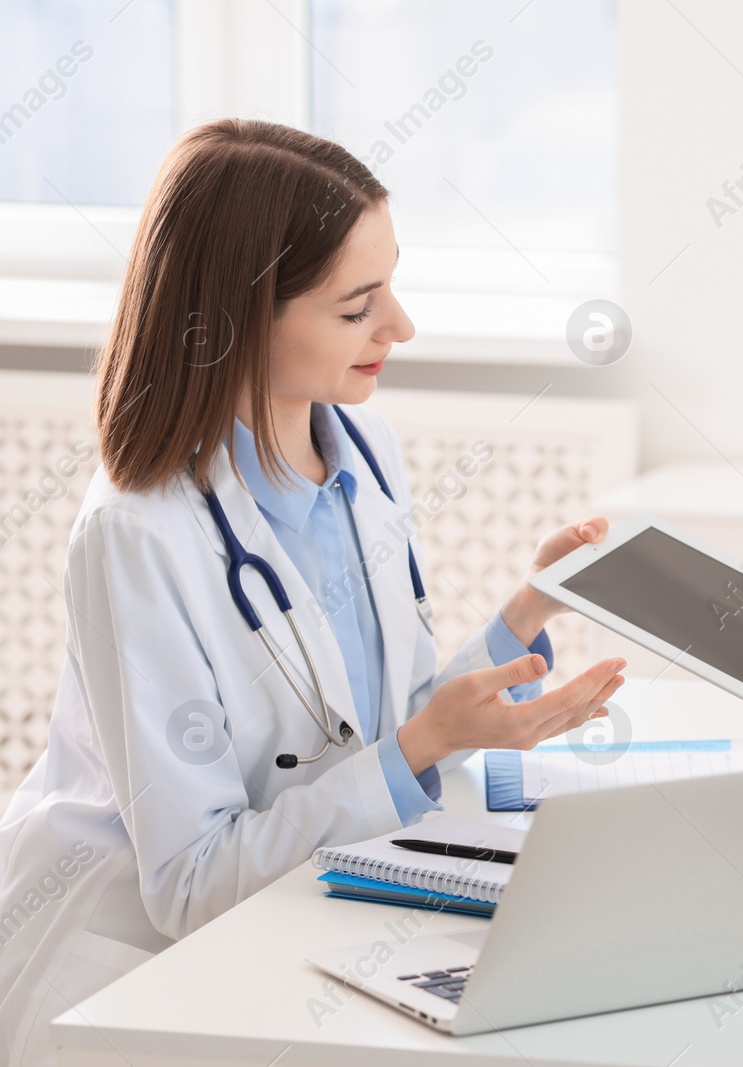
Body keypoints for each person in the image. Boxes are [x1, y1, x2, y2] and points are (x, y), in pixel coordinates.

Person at [0, 120, 627, 1067]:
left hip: (306, 915)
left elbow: (378, 728)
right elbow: (189, 881)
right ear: (241, 315)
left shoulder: (363, 450)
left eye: (392, 287)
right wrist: (423, 741)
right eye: (356, 306)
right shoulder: (136, 534)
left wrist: (525, 612)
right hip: (143, 966)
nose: (401, 327)